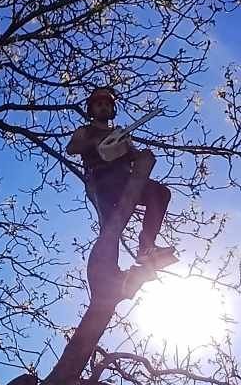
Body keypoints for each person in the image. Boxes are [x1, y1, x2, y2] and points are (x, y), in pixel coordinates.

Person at [66, 87, 176, 267]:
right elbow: (71, 149)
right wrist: (93, 143)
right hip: (101, 180)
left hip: (125, 178)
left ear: (112, 109)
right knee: (110, 230)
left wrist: (142, 156)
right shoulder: (85, 131)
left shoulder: (120, 133)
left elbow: (132, 153)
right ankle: (109, 270)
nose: (103, 108)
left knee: (160, 193)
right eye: (99, 104)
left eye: (107, 105)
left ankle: (146, 246)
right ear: (91, 109)